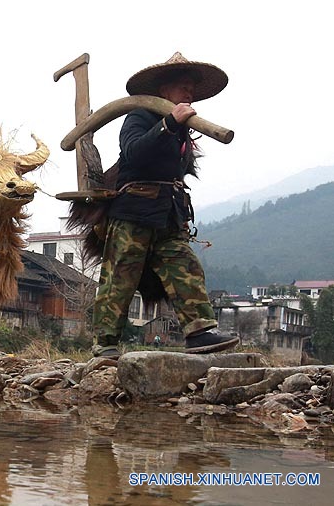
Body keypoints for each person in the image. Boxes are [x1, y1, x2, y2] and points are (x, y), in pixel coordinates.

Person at [91, 52, 239, 358]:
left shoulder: (184, 129)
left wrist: (176, 126)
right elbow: (134, 152)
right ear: (164, 91)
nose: (189, 93)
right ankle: (105, 343)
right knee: (120, 276)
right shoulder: (140, 116)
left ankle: (199, 332)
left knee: (185, 267)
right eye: (182, 87)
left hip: (169, 214)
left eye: (191, 88)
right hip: (134, 211)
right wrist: (169, 123)